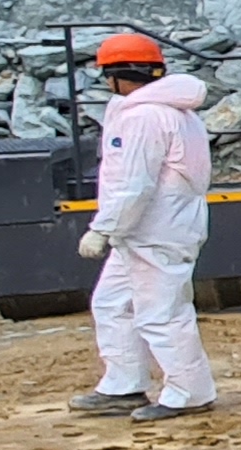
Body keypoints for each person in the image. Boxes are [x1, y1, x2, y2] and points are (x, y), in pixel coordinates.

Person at [68, 33, 216, 421]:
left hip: (155, 229)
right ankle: (123, 385)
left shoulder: (144, 117)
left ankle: (189, 392)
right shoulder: (177, 112)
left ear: (119, 74)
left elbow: (133, 183)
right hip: (150, 228)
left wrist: (103, 227)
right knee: (113, 302)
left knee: (160, 311)